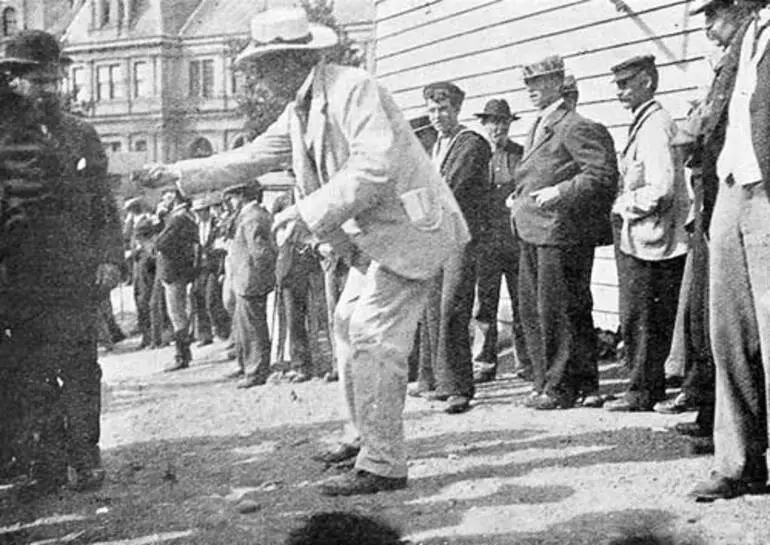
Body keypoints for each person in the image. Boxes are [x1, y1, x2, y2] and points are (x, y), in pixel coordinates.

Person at [145, 7, 468, 496]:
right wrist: (178, 173)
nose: (260, 75)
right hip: (372, 236)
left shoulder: (352, 88)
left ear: (294, 59)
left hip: (407, 230)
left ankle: (384, 464)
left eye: (267, 64)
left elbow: (373, 166)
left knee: (373, 337)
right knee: (345, 326)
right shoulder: (301, 104)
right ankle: (363, 437)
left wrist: (306, 211)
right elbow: (252, 156)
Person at [0, 30, 123, 491]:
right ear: (11, 80)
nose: (50, 87)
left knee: (78, 367)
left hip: (74, 273)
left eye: (55, 78)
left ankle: (86, 456)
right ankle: (47, 460)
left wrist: (111, 256)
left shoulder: (80, 133)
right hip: (18, 277)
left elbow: (103, 203)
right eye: (38, 79)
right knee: (29, 371)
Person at [658, 0, 751, 443]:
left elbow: (696, 131)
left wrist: (690, 128)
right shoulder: (729, 61)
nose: (709, 30)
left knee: (724, 322)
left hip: (735, 200)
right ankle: (711, 418)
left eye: (713, 18)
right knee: (705, 320)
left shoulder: (743, 56)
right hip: (711, 206)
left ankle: (725, 427)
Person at [690, 0, 770, 501]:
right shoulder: (745, 36)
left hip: (767, 192)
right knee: (729, 334)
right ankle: (739, 462)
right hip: (732, 188)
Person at [509, 55, 618, 410]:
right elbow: (539, 170)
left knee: (560, 311)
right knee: (540, 311)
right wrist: (520, 195)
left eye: (539, 82)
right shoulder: (540, 123)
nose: (531, 90)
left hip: (561, 231)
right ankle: (565, 383)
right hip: (534, 229)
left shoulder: (574, 124)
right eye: (528, 84)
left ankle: (560, 388)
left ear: (558, 82)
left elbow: (600, 175)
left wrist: (560, 192)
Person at [604, 55, 689, 412]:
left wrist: (624, 204)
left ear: (648, 83)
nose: (621, 92)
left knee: (644, 318)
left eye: (627, 84)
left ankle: (643, 391)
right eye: (619, 85)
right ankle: (643, 386)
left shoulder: (654, 126)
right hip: (643, 237)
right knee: (642, 317)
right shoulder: (644, 122)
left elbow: (661, 188)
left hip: (653, 239)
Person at [414, 81, 491, 415]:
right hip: (434, 236)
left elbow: (451, 190)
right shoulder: (434, 147)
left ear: (457, 109)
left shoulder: (470, 144)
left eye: (443, 109)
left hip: (462, 236)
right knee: (432, 306)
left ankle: (458, 385)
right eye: (432, 110)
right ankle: (434, 380)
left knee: (453, 306)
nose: (437, 116)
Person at [470, 98, 531, 384]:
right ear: (484, 125)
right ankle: (484, 362)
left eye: (503, 122)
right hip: (486, 242)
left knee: (522, 301)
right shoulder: (476, 156)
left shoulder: (521, 154)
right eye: (493, 122)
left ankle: (526, 361)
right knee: (485, 303)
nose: (498, 128)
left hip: (516, 240)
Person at [224, 181, 277, 388]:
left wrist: (258, 275)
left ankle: (255, 371)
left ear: (242, 196)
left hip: (250, 281)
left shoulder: (252, 218)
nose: (230, 202)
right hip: (245, 280)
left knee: (252, 329)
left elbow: (260, 252)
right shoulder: (251, 216)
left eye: (232, 197)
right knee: (246, 327)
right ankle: (249, 366)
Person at [155, 188, 199, 371]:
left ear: (174, 197)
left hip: (173, 271)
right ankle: (184, 353)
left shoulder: (177, 219)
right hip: (178, 271)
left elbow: (160, 243)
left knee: (177, 314)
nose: (163, 200)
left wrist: (161, 219)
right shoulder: (185, 217)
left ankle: (181, 356)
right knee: (179, 312)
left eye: (166, 196)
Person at [191, 194, 231, 346]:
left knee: (211, 300)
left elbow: (221, 249)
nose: (199, 214)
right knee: (197, 297)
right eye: (197, 211)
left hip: (214, 267)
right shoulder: (197, 226)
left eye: (201, 211)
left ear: (207, 210)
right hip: (201, 268)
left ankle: (223, 331)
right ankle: (204, 334)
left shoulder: (217, 225)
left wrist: (221, 271)